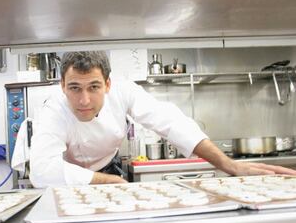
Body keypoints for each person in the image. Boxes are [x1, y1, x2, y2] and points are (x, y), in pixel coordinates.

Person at [28, 51, 296, 188]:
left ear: (108, 84)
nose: (84, 100)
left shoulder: (124, 91)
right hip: (65, 178)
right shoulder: (54, 109)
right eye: (75, 88)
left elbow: (169, 121)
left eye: (94, 87)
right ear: (62, 85)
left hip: (106, 167)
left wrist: (230, 166)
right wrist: (107, 182)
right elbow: (43, 170)